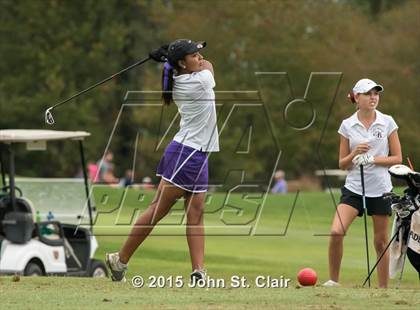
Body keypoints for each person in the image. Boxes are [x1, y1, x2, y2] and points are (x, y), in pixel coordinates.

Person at [106, 39, 219, 283]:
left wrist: (171, 54)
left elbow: (196, 63)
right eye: (194, 56)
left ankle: (198, 271)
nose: (200, 58)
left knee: (196, 213)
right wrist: (171, 54)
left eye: (199, 54)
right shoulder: (197, 81)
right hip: (187, 153)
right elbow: (210, 67)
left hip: (197, 152)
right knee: (158, 210)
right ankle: (120, 260)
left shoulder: (181, 76)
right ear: (181, 63)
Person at [323, 78, 402, 288]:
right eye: (368, 94)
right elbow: (342, 164)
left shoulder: (387, 122)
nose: (373, 97)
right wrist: (354, 154)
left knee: (380, 242)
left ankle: (382, 289)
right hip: (354, 188)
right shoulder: (347, 125)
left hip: (381, 188)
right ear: (357, 97)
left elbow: (397, 158)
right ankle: (333, 281)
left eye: (376, 93)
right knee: (336, 231)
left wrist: (372, 159)